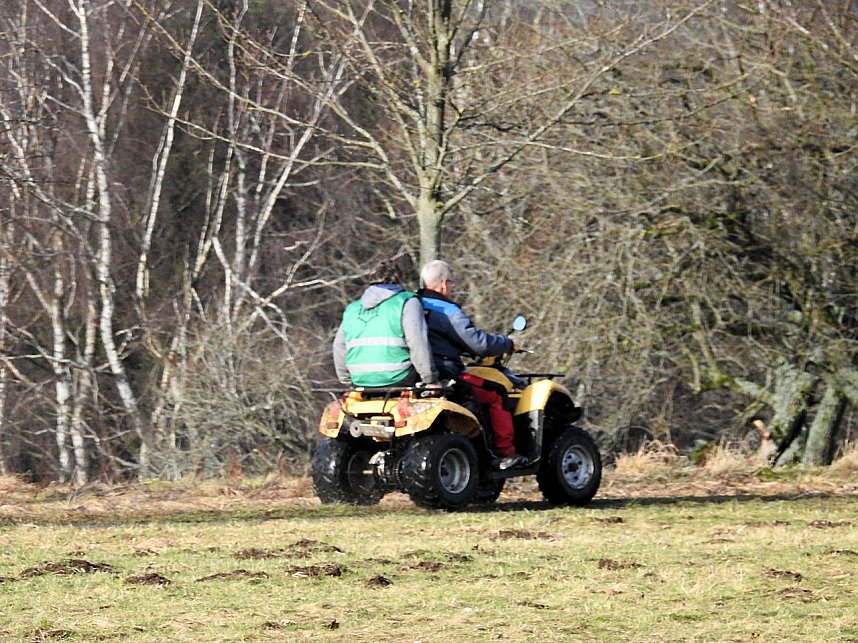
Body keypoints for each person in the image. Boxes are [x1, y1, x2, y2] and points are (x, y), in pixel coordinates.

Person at [418, 259, 525, 469]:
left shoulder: (411, 304)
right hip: (446, 373)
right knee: (497, 393)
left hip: (415, 376)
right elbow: (479, 344)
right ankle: (504, 454)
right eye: (453, 285)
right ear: (444, 284)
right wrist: (506, 343)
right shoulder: (447, 310)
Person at [333, 260, 437, 388]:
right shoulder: (406, 302)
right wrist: (430, 379)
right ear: (399, 279)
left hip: (360, 381)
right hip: (399, 378)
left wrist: (347, 381)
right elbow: (417, 342)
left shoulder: (352, 309)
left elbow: (339, 347)